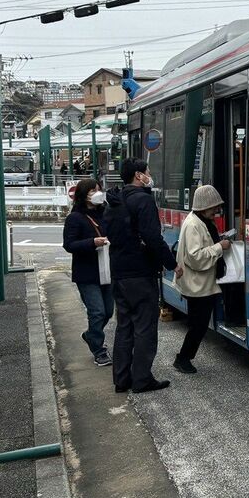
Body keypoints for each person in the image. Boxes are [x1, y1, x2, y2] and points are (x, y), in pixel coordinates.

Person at [103, 158, 182, 393]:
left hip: (119, 272)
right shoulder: (143, 201)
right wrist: (172, 263)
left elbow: (109, 231)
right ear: (138, 175)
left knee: (124, 326)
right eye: (147, 171)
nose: (149, 175)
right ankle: (142, 379)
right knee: (145, 328)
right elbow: (153, 238)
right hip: (140, 272)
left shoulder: (113, 201)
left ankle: (121, 379)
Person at [172, 185, 230, 374]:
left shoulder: (199, 220)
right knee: (198, 325)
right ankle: (183, 358)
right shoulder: (194, 225)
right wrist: (220, 247)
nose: (217, 211)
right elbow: (195, 257)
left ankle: (184, 357)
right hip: (197, 285)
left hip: (201, 283)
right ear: (204, 206)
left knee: (198, 324)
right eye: (214, 207)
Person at [62, 178, 113, 366]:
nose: (97, 194)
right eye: (92, 191)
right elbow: (69, 244)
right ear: (83, 196)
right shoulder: (75, 218)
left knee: (108, 311)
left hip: (106, 269)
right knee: (97, 311)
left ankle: (90, 335)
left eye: (98, 190)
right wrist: (92, 242)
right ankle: (99, 350)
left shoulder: (105, 213)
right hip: (87, 273)